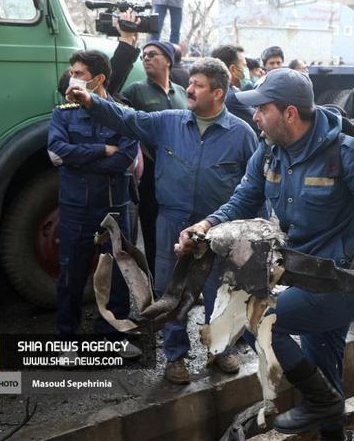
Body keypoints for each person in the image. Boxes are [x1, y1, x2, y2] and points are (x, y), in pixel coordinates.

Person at [174, 68, 354, 438]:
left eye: (262, 109)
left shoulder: (347, 153)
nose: (255, 117)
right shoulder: (269, 152)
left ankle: (320, 401)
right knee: (325, 374)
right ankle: (327, 416)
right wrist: (204, 226)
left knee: (254, 321)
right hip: (300, 279)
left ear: (290, 114)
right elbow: (244, 197)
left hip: (341, 285)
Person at [65, 57, 258, 383]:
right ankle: (175, 357)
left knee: (220, 290)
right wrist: (92, 101)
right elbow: (128, 119)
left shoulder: (242, 134)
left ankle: (220, 348)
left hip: (219, 228)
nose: (190, 90)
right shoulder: (169, 121)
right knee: (172, 293)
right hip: (173, 222)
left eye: (198, 85)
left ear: (219, 93)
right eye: (190, 83)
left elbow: (253, 187)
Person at [47, 50, 142, 359]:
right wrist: (102, 149)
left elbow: (124, 160)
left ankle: (112, 336)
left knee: (117, 273)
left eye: (79, 73)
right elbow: (57, 152)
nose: (72, 78)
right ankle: (67, 342)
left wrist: (79, 159)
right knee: (70, 274)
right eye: (72, 72)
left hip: (113, 207)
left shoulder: (123, 114)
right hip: (75, 207)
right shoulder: (63, 112)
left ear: (98, 79)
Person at [121, 40, 188, 277]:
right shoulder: (135, 91)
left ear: (168, 60)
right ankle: (154, 287)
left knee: (182, 231)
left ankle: (182, 283)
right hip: (150, 173)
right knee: (151, 230)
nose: (146, 59)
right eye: (143, 56)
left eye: (152, 54)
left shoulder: (181, 91)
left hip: (180, 174)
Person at [211, 45, 259, 134]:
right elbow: (260, 122)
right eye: (244, 66)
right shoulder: (232, 97)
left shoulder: (214, 92)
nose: (246, 70)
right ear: (233, 69)